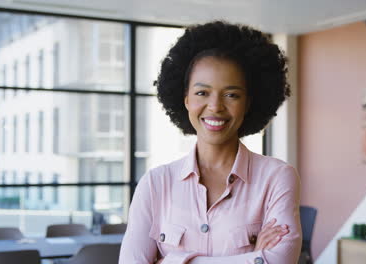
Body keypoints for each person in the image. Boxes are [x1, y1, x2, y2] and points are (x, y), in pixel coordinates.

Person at [119, 21, 302, 264]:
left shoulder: (277, 178)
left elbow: (279, 262)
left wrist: (171, 261)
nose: (215, 106)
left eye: (231, 95)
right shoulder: (154, 185)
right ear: (185, 100)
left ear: (248, 103)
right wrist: (253, 258)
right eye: (202, 93)